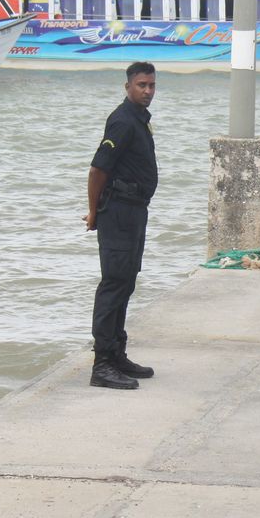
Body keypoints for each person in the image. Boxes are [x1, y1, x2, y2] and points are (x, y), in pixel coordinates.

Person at [85, 61, 158, 390]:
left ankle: (117, 354)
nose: (147, 91)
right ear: (128, 86)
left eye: (151, 85)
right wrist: (92, 212)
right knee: (114, 283)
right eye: (141, 85)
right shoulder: (122, 121)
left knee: (126, 281)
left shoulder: (140, 120)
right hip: (118, 212)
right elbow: (98, 169)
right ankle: (102, 364)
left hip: (135, 212)